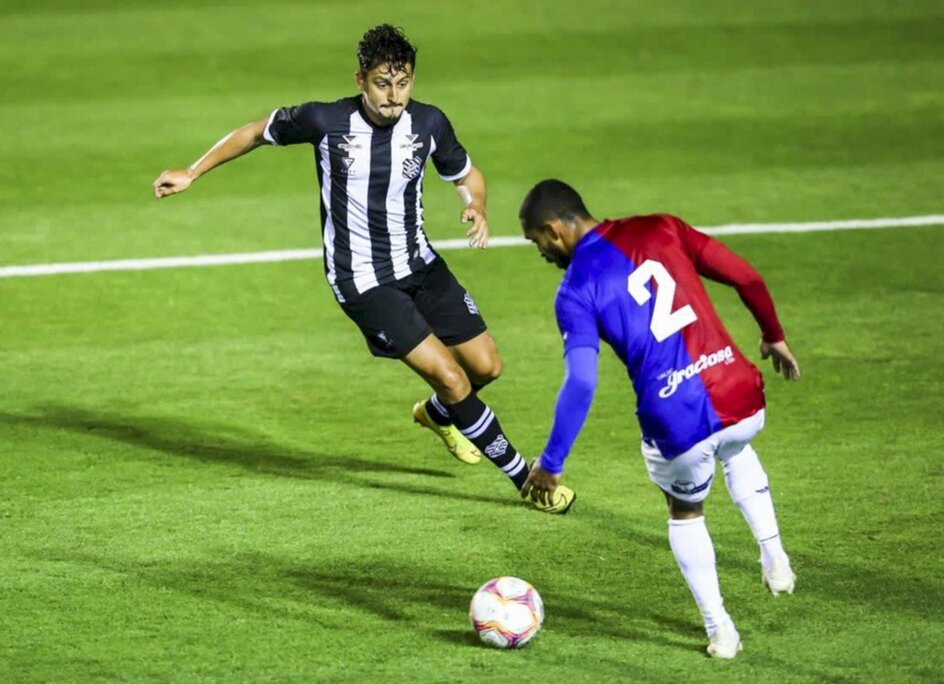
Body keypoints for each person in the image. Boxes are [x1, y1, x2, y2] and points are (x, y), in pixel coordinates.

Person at [153, 25, 575, 513]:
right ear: (360, 79)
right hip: (364, 281)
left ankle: (440, 417)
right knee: (454, 380)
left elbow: (465, 174)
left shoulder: (429, 124)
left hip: (420, 264)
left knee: (486, 367)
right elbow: (254, 132)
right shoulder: (324, 121)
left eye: (403, 83)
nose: (394, 96)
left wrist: (476, 204)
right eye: (382, 83)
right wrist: (191, 171)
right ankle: (527, 480)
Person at [518, 179, 801, 656]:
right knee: (734, 443)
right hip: (740, 393)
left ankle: (721, 632)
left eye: (536, 241)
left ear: (553, 230)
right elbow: (747, 276)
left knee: (686, 509)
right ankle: (775, 557)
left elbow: (583, 382)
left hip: (677, 422)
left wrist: (553, 462)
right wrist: (772, 334)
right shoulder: (662, 226)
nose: (541, 252)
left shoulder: (575, 290)